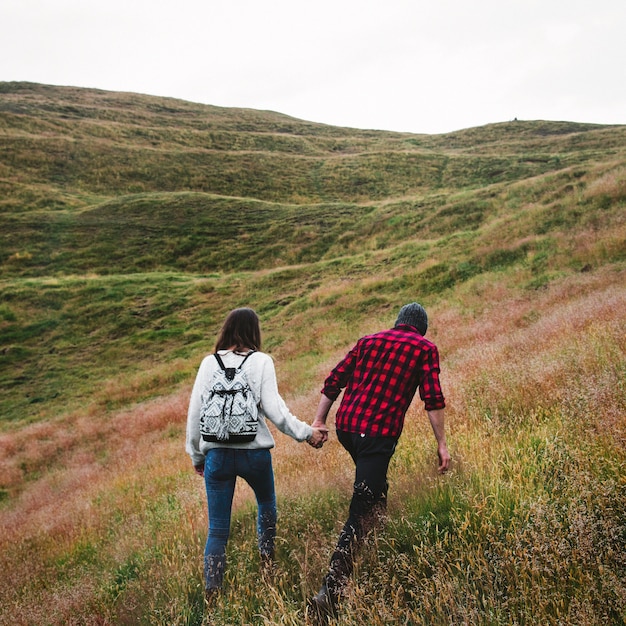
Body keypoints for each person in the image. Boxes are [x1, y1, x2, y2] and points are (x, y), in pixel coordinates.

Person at [307, 302, 451, 621]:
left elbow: (333, 381)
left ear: (397, 322)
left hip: (347, 427)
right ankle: (329, 594)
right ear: (421, 328)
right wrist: (441, 444)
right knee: (362, 507)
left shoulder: (368, 341)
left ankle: (379, 539)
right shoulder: (425, 348)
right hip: (376, 436)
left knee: (373, 490)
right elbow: (433, 399)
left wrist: (319, 420)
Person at [185, 307, 327, 603]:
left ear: (226, 330)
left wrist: (198, 457)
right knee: (266, 505)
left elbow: (195, 415)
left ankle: (213, 595)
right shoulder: (261, 361)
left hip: (218, 457)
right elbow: (275, 410)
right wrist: (306, 434)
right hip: (254, 454)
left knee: (218, 530)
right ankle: (267, 564)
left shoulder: (208, 363)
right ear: (254, 331)